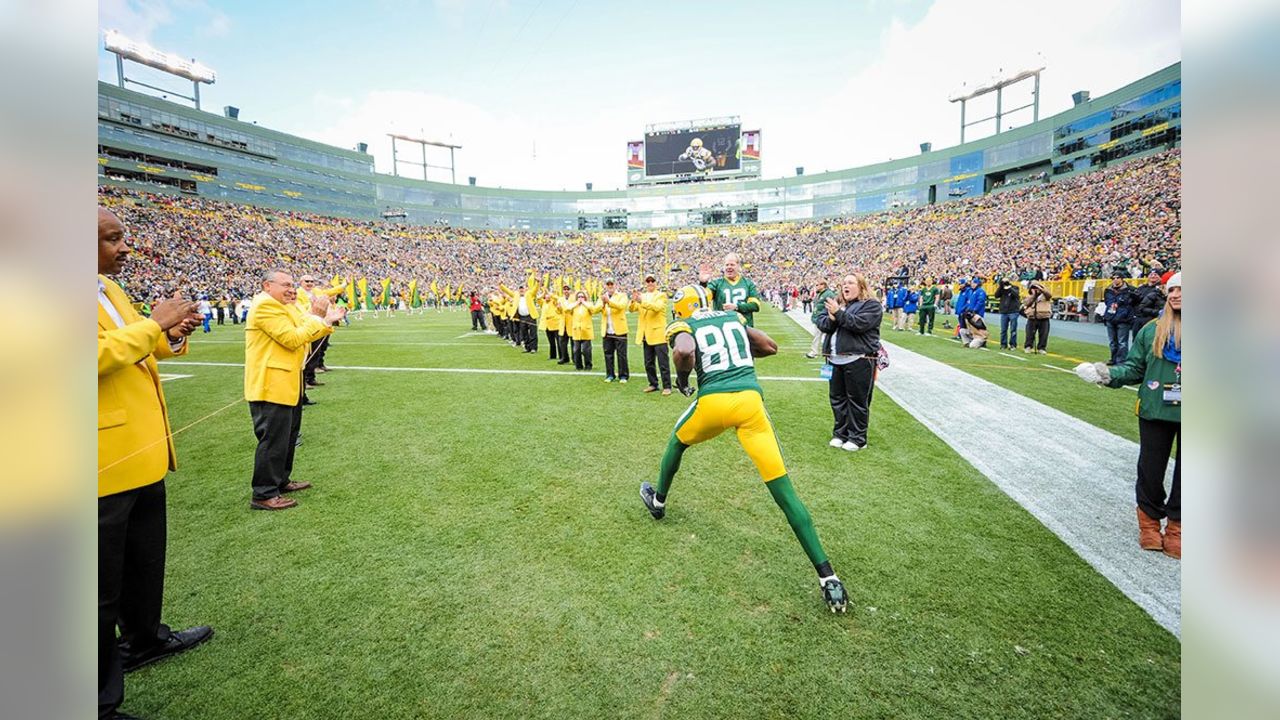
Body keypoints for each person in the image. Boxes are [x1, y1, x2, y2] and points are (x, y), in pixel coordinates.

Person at [638, 285, 849, 613]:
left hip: (713, 401)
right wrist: (737, 352)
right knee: (784, 491)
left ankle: (659, 500)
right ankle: (828, 577)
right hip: (750, 402)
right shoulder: (730, 317)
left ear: (681, 308)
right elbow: (769, 346)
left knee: (677, 442)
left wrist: (682, 379)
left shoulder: (683, 323)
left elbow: (682, 350)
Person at [98, 207, 212, 720]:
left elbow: (145, 352)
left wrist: (171, 332)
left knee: (144, 563)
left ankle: (145, 640)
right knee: (97, 590)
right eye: (111, 239)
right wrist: (152, 325)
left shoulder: (107, 289)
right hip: (96, 463)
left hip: (142, 452)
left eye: (122, 237)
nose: (124, 248)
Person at [1075, 273, 1181, 559]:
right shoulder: (1151, 330)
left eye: (1183, 289)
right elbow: (1134, 368)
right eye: (1172, 289)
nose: (1175, 295)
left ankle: (1177, 528)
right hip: (1155, 408)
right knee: (1150, 468)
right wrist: (1106, 374)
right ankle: (1149, 524)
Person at [244, 270, 345, 510]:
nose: (292, 289)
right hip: (271, 384)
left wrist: (325, 320)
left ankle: (280, 481)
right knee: (273, 440)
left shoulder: (284, 305)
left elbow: (306, 325)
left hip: (287, 381)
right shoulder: (266, 306)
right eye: (286, 285)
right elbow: (292, 338)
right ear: (267, 285)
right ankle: (264, 493)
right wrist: (319, 318)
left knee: (288, 436)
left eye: (292, 285)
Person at [815, 274, 883, 451]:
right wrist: (831, 317)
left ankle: (858, 438)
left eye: (850, 283)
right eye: (844, 283)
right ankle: (840, 434)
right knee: (837, 398)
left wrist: (838, 313)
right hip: (834, 359)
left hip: (859, 359)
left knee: (857, 400)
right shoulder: (836, 303)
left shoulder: (871, 305)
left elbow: (858, 324)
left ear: (861, 286)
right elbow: (822, 323)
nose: (846, 286)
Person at [633, 274, 672, 395]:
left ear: (656, 283)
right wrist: (633, 299)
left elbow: (657, 307)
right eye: (648, 281)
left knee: (663, 362)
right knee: (648, 362)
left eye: (652, 281)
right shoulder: (643, 296)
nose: (650, 283)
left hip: (658, 333)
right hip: (646, 333)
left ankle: (667, 386)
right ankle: (653, 384)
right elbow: (632, 308)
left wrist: (641, 301)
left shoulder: (661, 295)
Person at [703, 253, 762, 327]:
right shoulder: (716, 284)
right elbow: (703, 297)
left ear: (738, 266)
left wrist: (737, 307)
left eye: (732, 264)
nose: (729, 267)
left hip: (744, 328)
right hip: (723, 327)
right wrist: (703, 283)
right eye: (727, 265)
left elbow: (755, 306)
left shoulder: (748, 284)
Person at [599, 279, 633, 383]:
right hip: (607, 330)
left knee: (621, 354)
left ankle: (623, 375)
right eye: (608, 284)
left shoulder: (622, 295)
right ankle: (610, 374)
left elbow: (621, 306)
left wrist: (608, 302)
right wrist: (602, 304)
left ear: (615, 285)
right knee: (608, 353)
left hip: (620, 329)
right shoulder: (603, 296)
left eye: (611, 284)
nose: (610, 286)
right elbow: (596, 309)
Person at [1103, 271, 1138, 364]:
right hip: (1110, 317)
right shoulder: (1108, 290)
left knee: (1122, 342)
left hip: (1123, 319)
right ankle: (1113, 359)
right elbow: (1107, 302)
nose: (1115, 280)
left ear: (1122, 279)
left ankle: (1121, 360)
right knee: (1112, 342)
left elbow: (1133, 303)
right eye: (1113, 278)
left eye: (1117, 277)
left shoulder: (1130, 290)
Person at [566, 290, 600, 370]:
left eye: (582, 296)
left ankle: (588, 365)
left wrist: (584, 303)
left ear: (585, 297)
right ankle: (578, 366)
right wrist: (577, 303)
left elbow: (594, 310)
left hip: (586, 331)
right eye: (579, 297)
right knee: (576, 350)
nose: (580, 298)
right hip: (576, 331)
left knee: (586, 350)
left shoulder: (588, 305)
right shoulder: (574, 306)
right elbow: (567, 309)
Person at [1131, 270, 1165, 342]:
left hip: (1152, 319)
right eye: (1151, 274)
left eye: (1155, 274)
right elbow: (1133, 302)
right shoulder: (1141, 288)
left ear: (1160, 277)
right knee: (1136, 341)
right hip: (1138, 318)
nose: (1153, 276)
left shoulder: (1161, 289)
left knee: (1149, 341)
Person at [806, 279, 834, 358]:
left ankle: (815, 352)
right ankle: (816, 351)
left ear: (823, 285)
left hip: (823, 318)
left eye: (817, 285)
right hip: (817, 317)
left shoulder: (828, 294)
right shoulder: (819, 294)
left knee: (819, 335)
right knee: (817, 335)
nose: (816, 286)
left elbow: (831, 305)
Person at [1022, 281, 1053, 354]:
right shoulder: (1029, 296)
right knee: (1029, 333)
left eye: (1037, 287)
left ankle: (1041, 348)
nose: (1036, 289)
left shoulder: (1045, 296)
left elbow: (1049, 295)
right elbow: (1026, 303)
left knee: (1044, 334)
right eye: (1033, 288)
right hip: (1032, 317)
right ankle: (1028, 346)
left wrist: (1042, 289)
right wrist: (1033, 295)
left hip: (1044, 316)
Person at [994, 278, 1021, 350]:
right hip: (1004, 312)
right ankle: (1003, 344)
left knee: (1013, 329)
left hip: (1013, 311)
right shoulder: (1002, 289)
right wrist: (1001, 286)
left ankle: (1013, 344)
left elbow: (1016, 295)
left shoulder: (1015, 287)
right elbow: (996, 295)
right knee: (1003, 330)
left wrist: (1009, 288)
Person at [540, 289, 563, 361]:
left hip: (555, 324)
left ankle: (561, 356)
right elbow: (538, 298)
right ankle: (552, 355)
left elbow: (557, 298)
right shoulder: (543, 303)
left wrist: (549, 293)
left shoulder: (553, 302)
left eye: (548, 296)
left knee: (559, 341)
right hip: (547, 325)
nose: (547, 297)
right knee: (551, 341)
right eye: (546, 296)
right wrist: (543, 292)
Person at [556, 284, 574, 364]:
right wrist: (558, 308)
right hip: (563, 324)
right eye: (564, 289)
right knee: (562, 343)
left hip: (572, 323)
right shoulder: (560, 299)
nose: (566, 291)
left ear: (570, 290)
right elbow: (558, 312)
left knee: (574, 343)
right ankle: (564, 357)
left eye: (567, 289)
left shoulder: (574, 299)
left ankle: (575, 358)